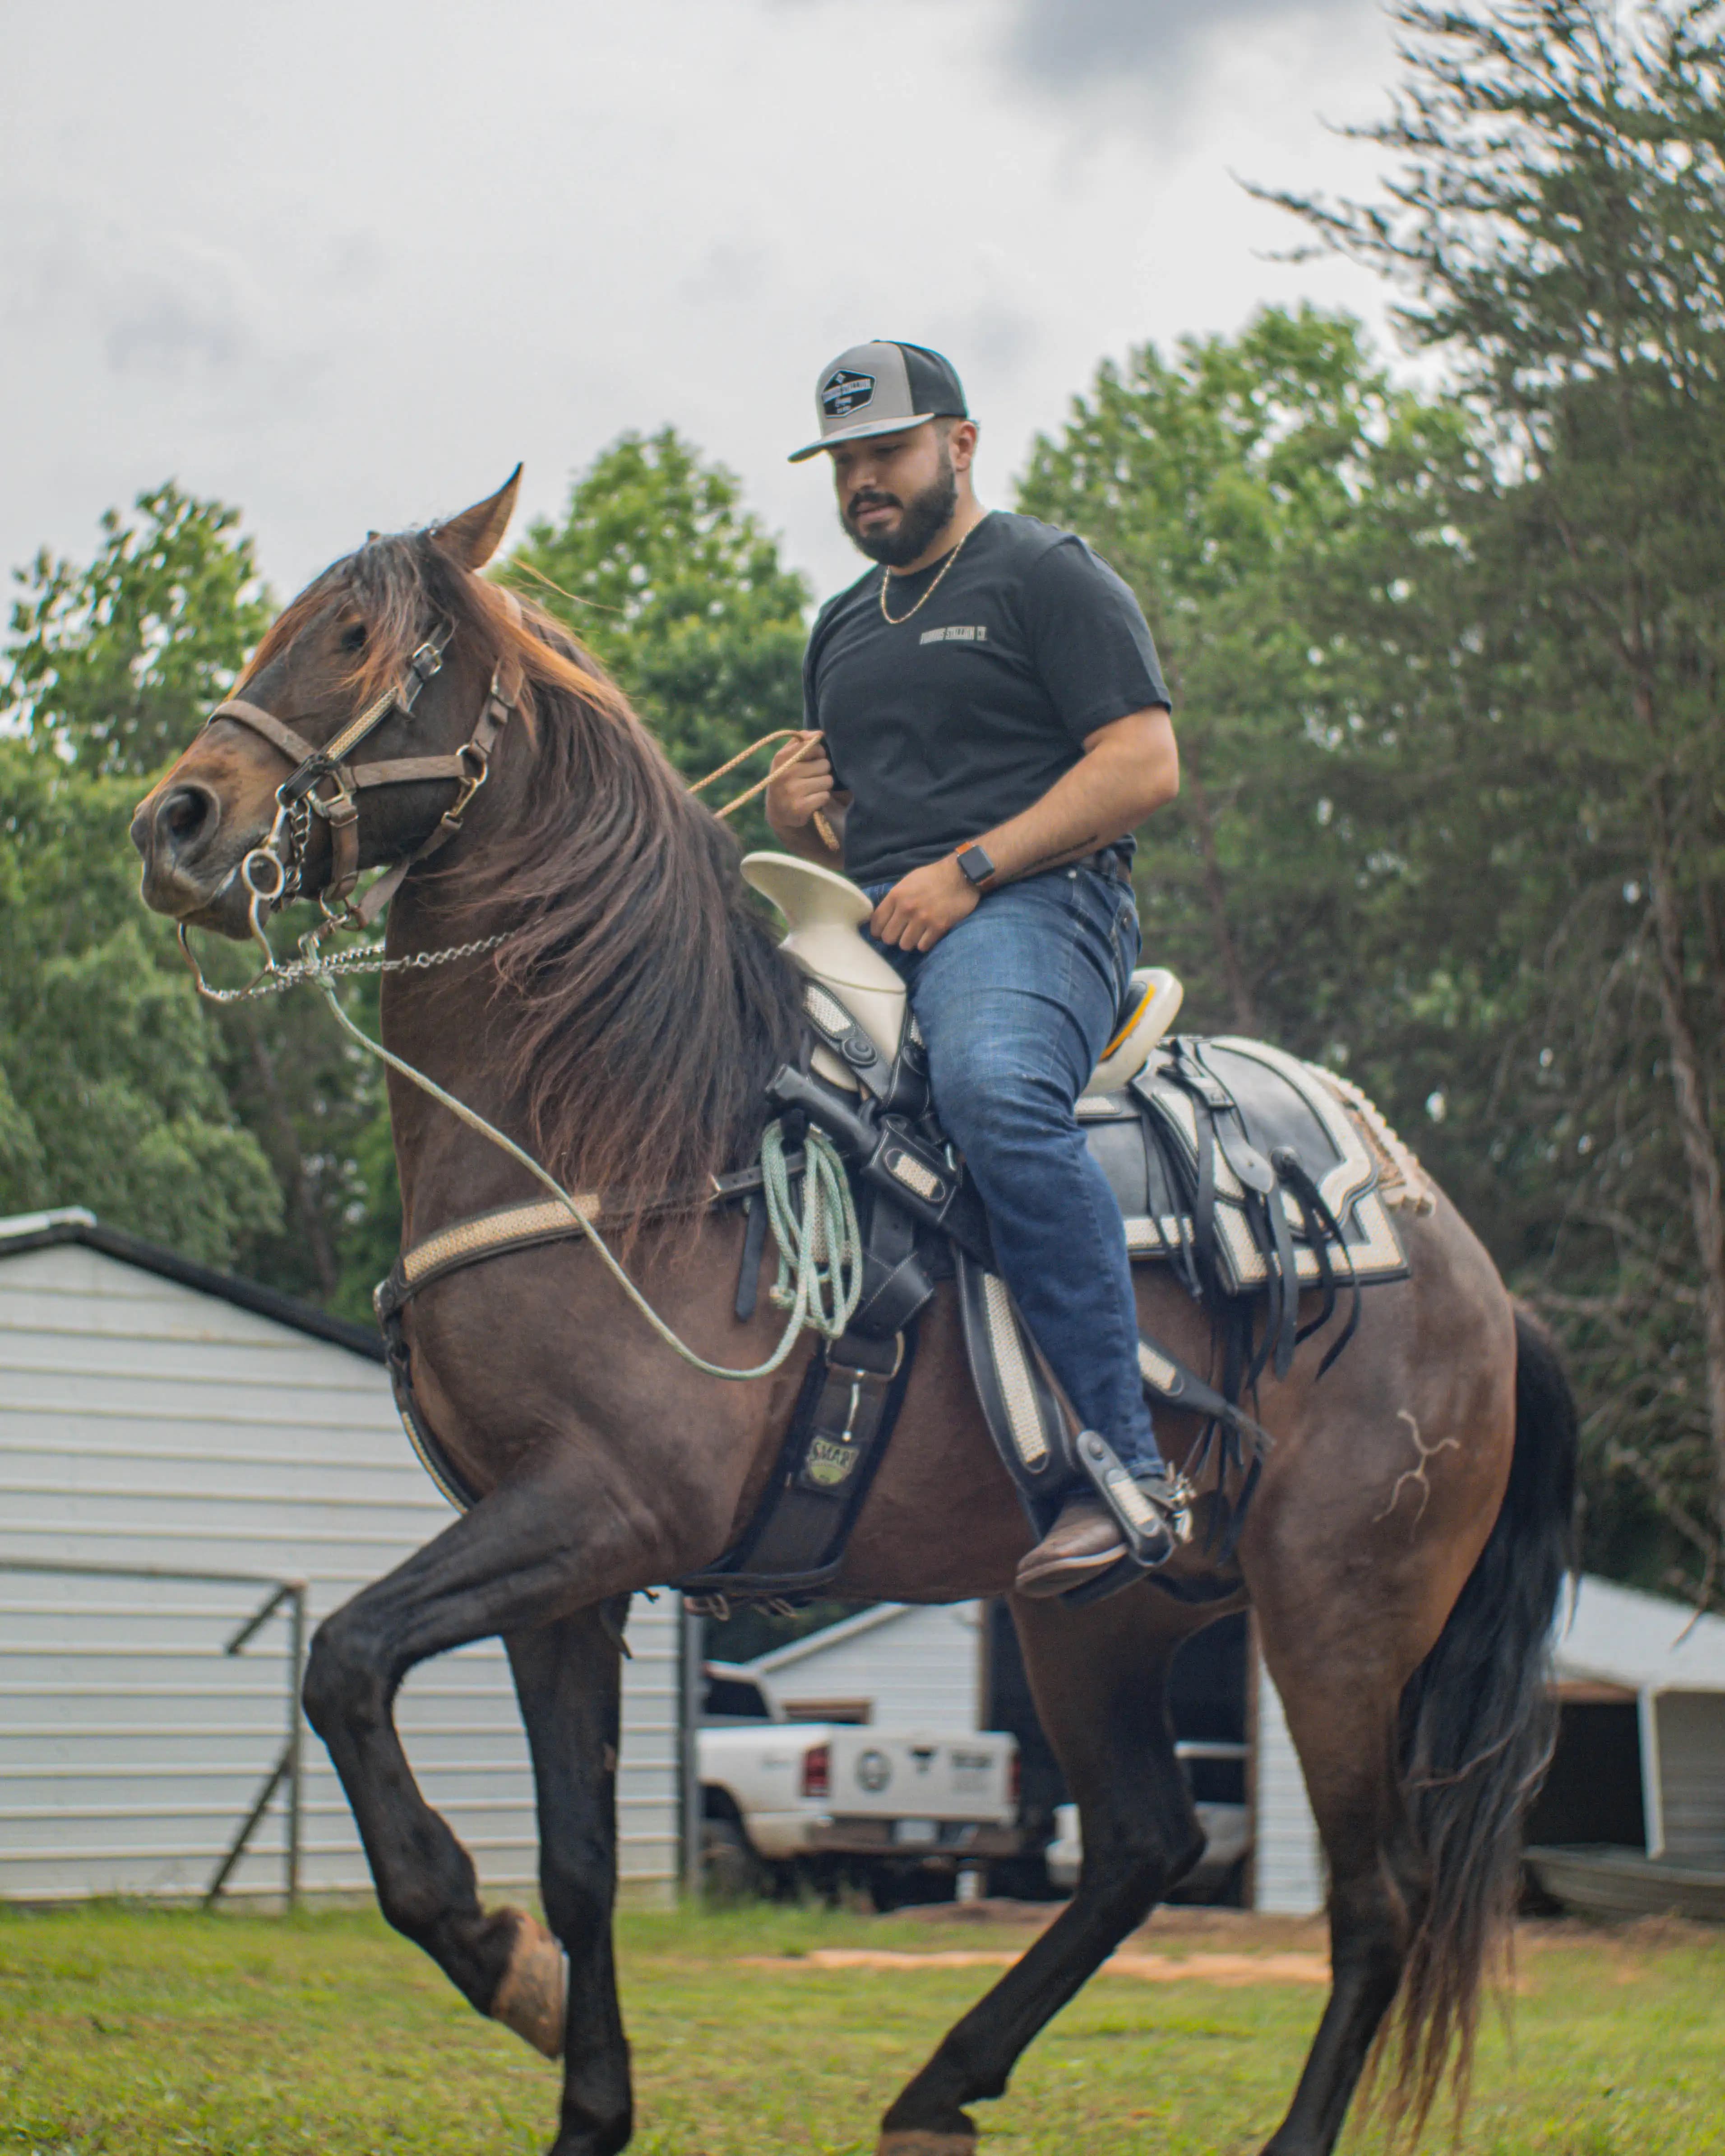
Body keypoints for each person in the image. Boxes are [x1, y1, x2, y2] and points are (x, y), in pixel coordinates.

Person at [766, 338, 1189, 1601]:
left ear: (959, 442)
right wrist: (804, 829)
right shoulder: (840, 629)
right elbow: (876, 838)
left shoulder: (1044, 575)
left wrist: (971, 871)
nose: (863, 485)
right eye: (843, 464)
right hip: (883, 924)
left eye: (885, 454)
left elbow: (1143, 765)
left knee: (997, 1100)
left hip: (1044, 909)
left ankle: (1123, 1466)